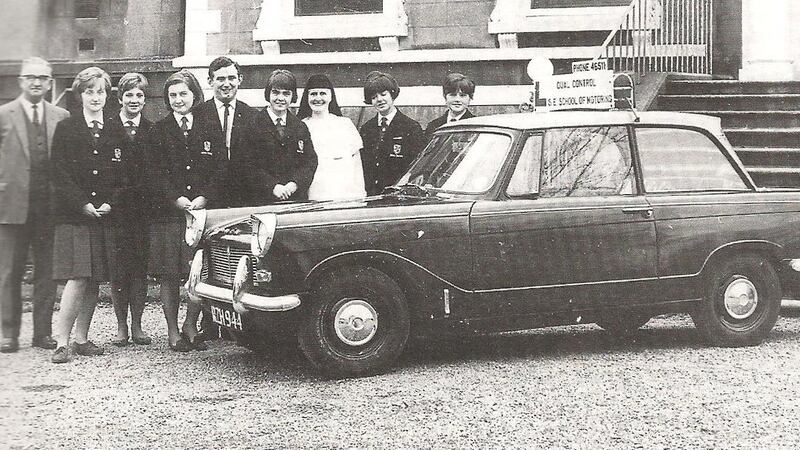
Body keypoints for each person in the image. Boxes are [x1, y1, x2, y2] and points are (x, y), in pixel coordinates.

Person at [145, 70, 224, 352]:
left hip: (200, 214)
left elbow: (220, 168)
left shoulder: (210, 127)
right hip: (169, 214)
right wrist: (175, 199)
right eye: (173, 95)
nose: (178, 100)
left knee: (198, 272)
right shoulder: (159, 130)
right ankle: (172, 331)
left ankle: (191, 325)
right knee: (169, 274)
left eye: (183, 94)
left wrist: (204, 196)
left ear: (194, 95)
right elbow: (153, 173)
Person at [0, 57, 69, 353]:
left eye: (42, 77)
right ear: (21, 81)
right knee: (9, 272)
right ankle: (8, 334)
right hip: (11, 206)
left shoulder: (61, 116)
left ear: (50, 82)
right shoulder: (4, 115)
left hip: (49, 209)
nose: (37, 82)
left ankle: (42, 333)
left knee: (47, 272)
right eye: (31, 77)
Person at [49, 67, 117, 363]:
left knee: (94, 280)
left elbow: (124, 175)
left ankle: (82, 338)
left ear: (107, 95)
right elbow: (59, 173)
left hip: (103, 215)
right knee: (78, 277)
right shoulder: (66, 128)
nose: (95, 97)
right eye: (89, 92)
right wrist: (82, 203)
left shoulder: (114, 129)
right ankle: (62, 342)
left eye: (100, 92)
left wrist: (111, 202)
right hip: (75, 216)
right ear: (79, 95)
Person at [106, 72, 152, 347]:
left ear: (145, 99)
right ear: (120, 98)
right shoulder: (108, 127)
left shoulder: (151, 130)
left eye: (139, 95)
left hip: (142, 212)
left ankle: (137, 325)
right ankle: (121, 325)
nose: (134, 100)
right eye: (129, 94)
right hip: (115, 212)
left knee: (139, 270)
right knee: (118, 271)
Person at [192, 56, 260, 208]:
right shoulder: (197, 115)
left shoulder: (253, 116)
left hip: (244, 198)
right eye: (220, 79)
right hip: (206, 199)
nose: (227, 84)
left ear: (240, 79)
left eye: (231, 78)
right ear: (210, 81)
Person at [297, 74, 364, 201]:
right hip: (314, 194)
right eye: (313, 94)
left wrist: (360, 194)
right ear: (307, 97)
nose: (318, 98)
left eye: (323, 93)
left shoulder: (345, 124)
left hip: (344, 194)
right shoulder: (301, 126)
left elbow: (356, 165)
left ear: (331, 96)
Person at [253, 69, 317, 202]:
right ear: (268, 94)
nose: (280, 98)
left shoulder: (300, 127)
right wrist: (273, 186)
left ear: (292, 96)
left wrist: (294, 184)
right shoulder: (253, 124)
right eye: (275, 92)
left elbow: (310, 162)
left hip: (294, 199)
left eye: (286, 93)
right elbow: (247, 164)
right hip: (262, 199)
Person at [359, 71, 425, 196]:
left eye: (383, 94)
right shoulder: (367, 129)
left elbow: (417, 167)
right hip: (371, 196)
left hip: (399, 196)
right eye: (374, 97)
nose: (379, 100)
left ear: (392, 94)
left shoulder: (411, 127)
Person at [424, 73, 476, 141]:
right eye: (453, 95)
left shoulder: (475, 124)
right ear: (445, 96)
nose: (457, 100)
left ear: (470, 97)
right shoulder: (434, 125)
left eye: (462, 95)